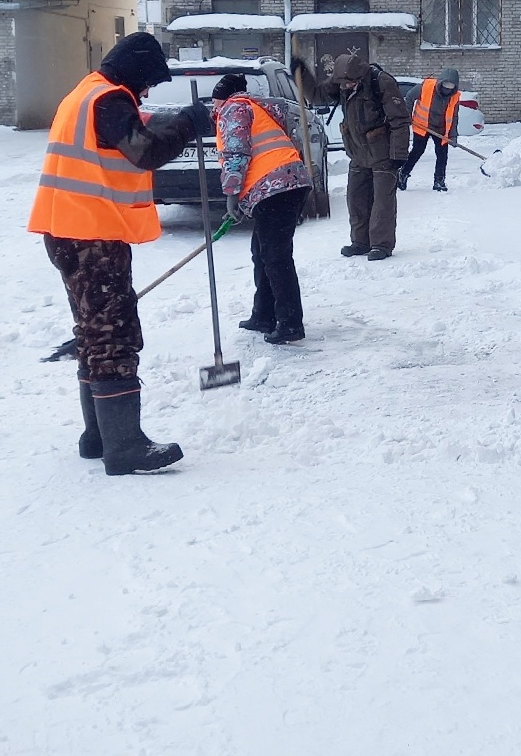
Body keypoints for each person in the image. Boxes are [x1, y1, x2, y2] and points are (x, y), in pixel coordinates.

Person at [28, 32, 212, 476]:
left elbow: (138, 126)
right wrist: (188, 126)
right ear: (134, 73)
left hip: (67, 228)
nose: (147, 91)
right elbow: (143, 150)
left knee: (93, 329)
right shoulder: (109, 100)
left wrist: (191, 114)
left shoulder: (87, 94)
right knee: (115, 333)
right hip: (91, 234)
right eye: (147, 82)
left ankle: (98, 437)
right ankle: (125, 446)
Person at [210, 73, 313, 345]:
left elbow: (236, 153)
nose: (213, 107)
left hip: (276, 188)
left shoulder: (234, 109)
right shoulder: (256, 108)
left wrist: (231, 194)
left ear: (221, 98)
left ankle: (290, 323)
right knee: (263, 252)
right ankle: (264, 314)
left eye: (214, 101)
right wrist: (246, 198)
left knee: (275, 257)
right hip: (287, 184)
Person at [309, 52, 410, 260]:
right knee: (356, 200)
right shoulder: (342, 81)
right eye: (342, 84)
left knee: (382, 202)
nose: (344, 88)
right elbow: (317, 95)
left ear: (358, 76)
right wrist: (302, 75)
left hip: (382, 153)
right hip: (358, 152)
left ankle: (381, 245)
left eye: (348, 84)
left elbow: (400, 120)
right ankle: (360, 242)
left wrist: (398, 154)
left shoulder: (381, 82)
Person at [400, 67, 461, 192]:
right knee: (418, 151)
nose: (447, 90)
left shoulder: (454, 96)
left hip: (441, 129)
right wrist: (407, 115)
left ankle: (439, 180)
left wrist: (453, 135)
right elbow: (410, 97)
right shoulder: (426, 86)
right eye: (445, 86)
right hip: (422, 125)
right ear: (440, 83)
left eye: (451, 88)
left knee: (442, 154)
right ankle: (403, 174)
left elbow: (454, 116)